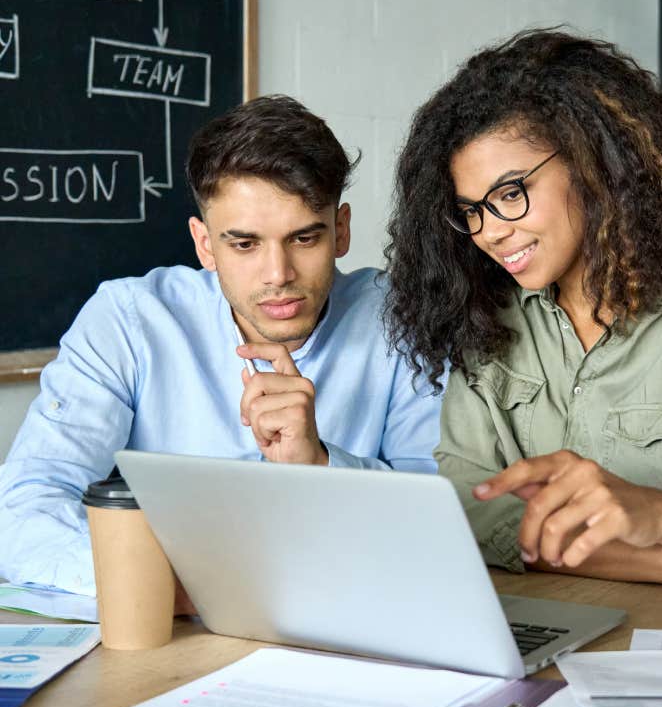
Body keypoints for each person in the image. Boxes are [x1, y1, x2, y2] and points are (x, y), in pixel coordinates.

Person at [384, 28, 662, 615]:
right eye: (471, 211)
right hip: (528, 632)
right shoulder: (485, 323)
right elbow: (462, 511)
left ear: (592, 164)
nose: (491, 231)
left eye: (510, 194)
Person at [0, 95, 442, 596]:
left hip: (347, 617)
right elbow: (25, 504)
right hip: (171, 622)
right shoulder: (127, 321)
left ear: (340, 231)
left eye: (303, 238)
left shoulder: (402, 320)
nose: (279, 276)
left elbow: (438, 520)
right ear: (205, 244)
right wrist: (172, 587)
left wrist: (320, 464)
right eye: (245, 244)